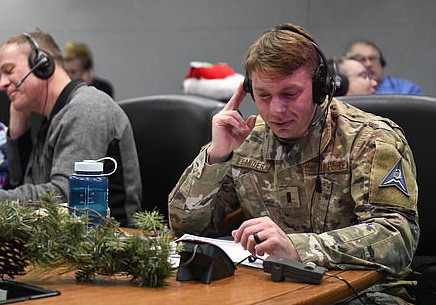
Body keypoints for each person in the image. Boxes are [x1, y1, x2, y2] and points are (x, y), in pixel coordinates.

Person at [169, 23, 418, 304]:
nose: (276, 110)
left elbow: (397, 237)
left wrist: (298, 248)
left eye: (290, 94)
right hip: (269, 287)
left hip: (362, 291)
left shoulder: (369, 139)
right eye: (263, 95)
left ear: (320, 88)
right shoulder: (246, 139)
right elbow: (184, 226)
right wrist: (217, 157)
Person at [0, 29, 142, 226]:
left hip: (106, 244)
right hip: (61, 242)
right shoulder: (52, 117)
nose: (1, 84)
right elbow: (23, 187)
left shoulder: (86, 109)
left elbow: (64, 197)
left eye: (9, 71)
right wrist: (18, 135)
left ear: (43, 65)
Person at [345, 40, 423, 95]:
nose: (368, 64)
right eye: (361, 59)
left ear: (381, 62)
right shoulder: (344, 90)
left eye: (372, 58)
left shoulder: (407, 90)